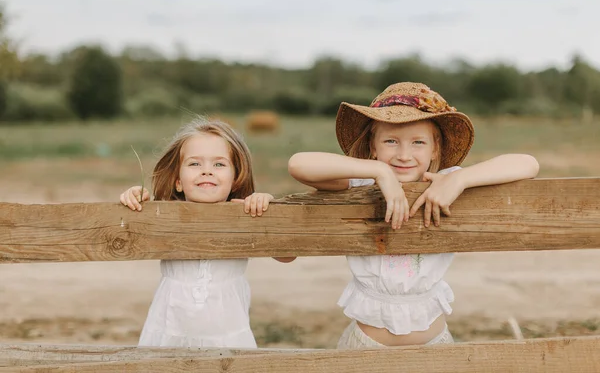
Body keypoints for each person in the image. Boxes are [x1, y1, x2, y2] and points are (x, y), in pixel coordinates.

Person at [288, 82, 539, 348]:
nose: (404, 155)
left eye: (418, 142)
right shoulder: (361, 183)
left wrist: (460, 180)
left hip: (435, 346)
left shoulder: (444, 182)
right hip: (366, 348)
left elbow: (528, 163)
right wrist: (380, 173)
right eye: (390, 141)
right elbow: (298, 164)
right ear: (373, 147)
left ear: (435, 149)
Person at [119, 116, 294, 348]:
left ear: (235, 179)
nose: (206, 171)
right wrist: (135, 197)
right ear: (178, 181)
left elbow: (287, 255)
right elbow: (129, 226)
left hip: (227, 334)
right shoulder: (165, 214)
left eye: (219, 164)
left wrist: (268, 206)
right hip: (170, 330)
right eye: (194, 164)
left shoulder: (246, 213)